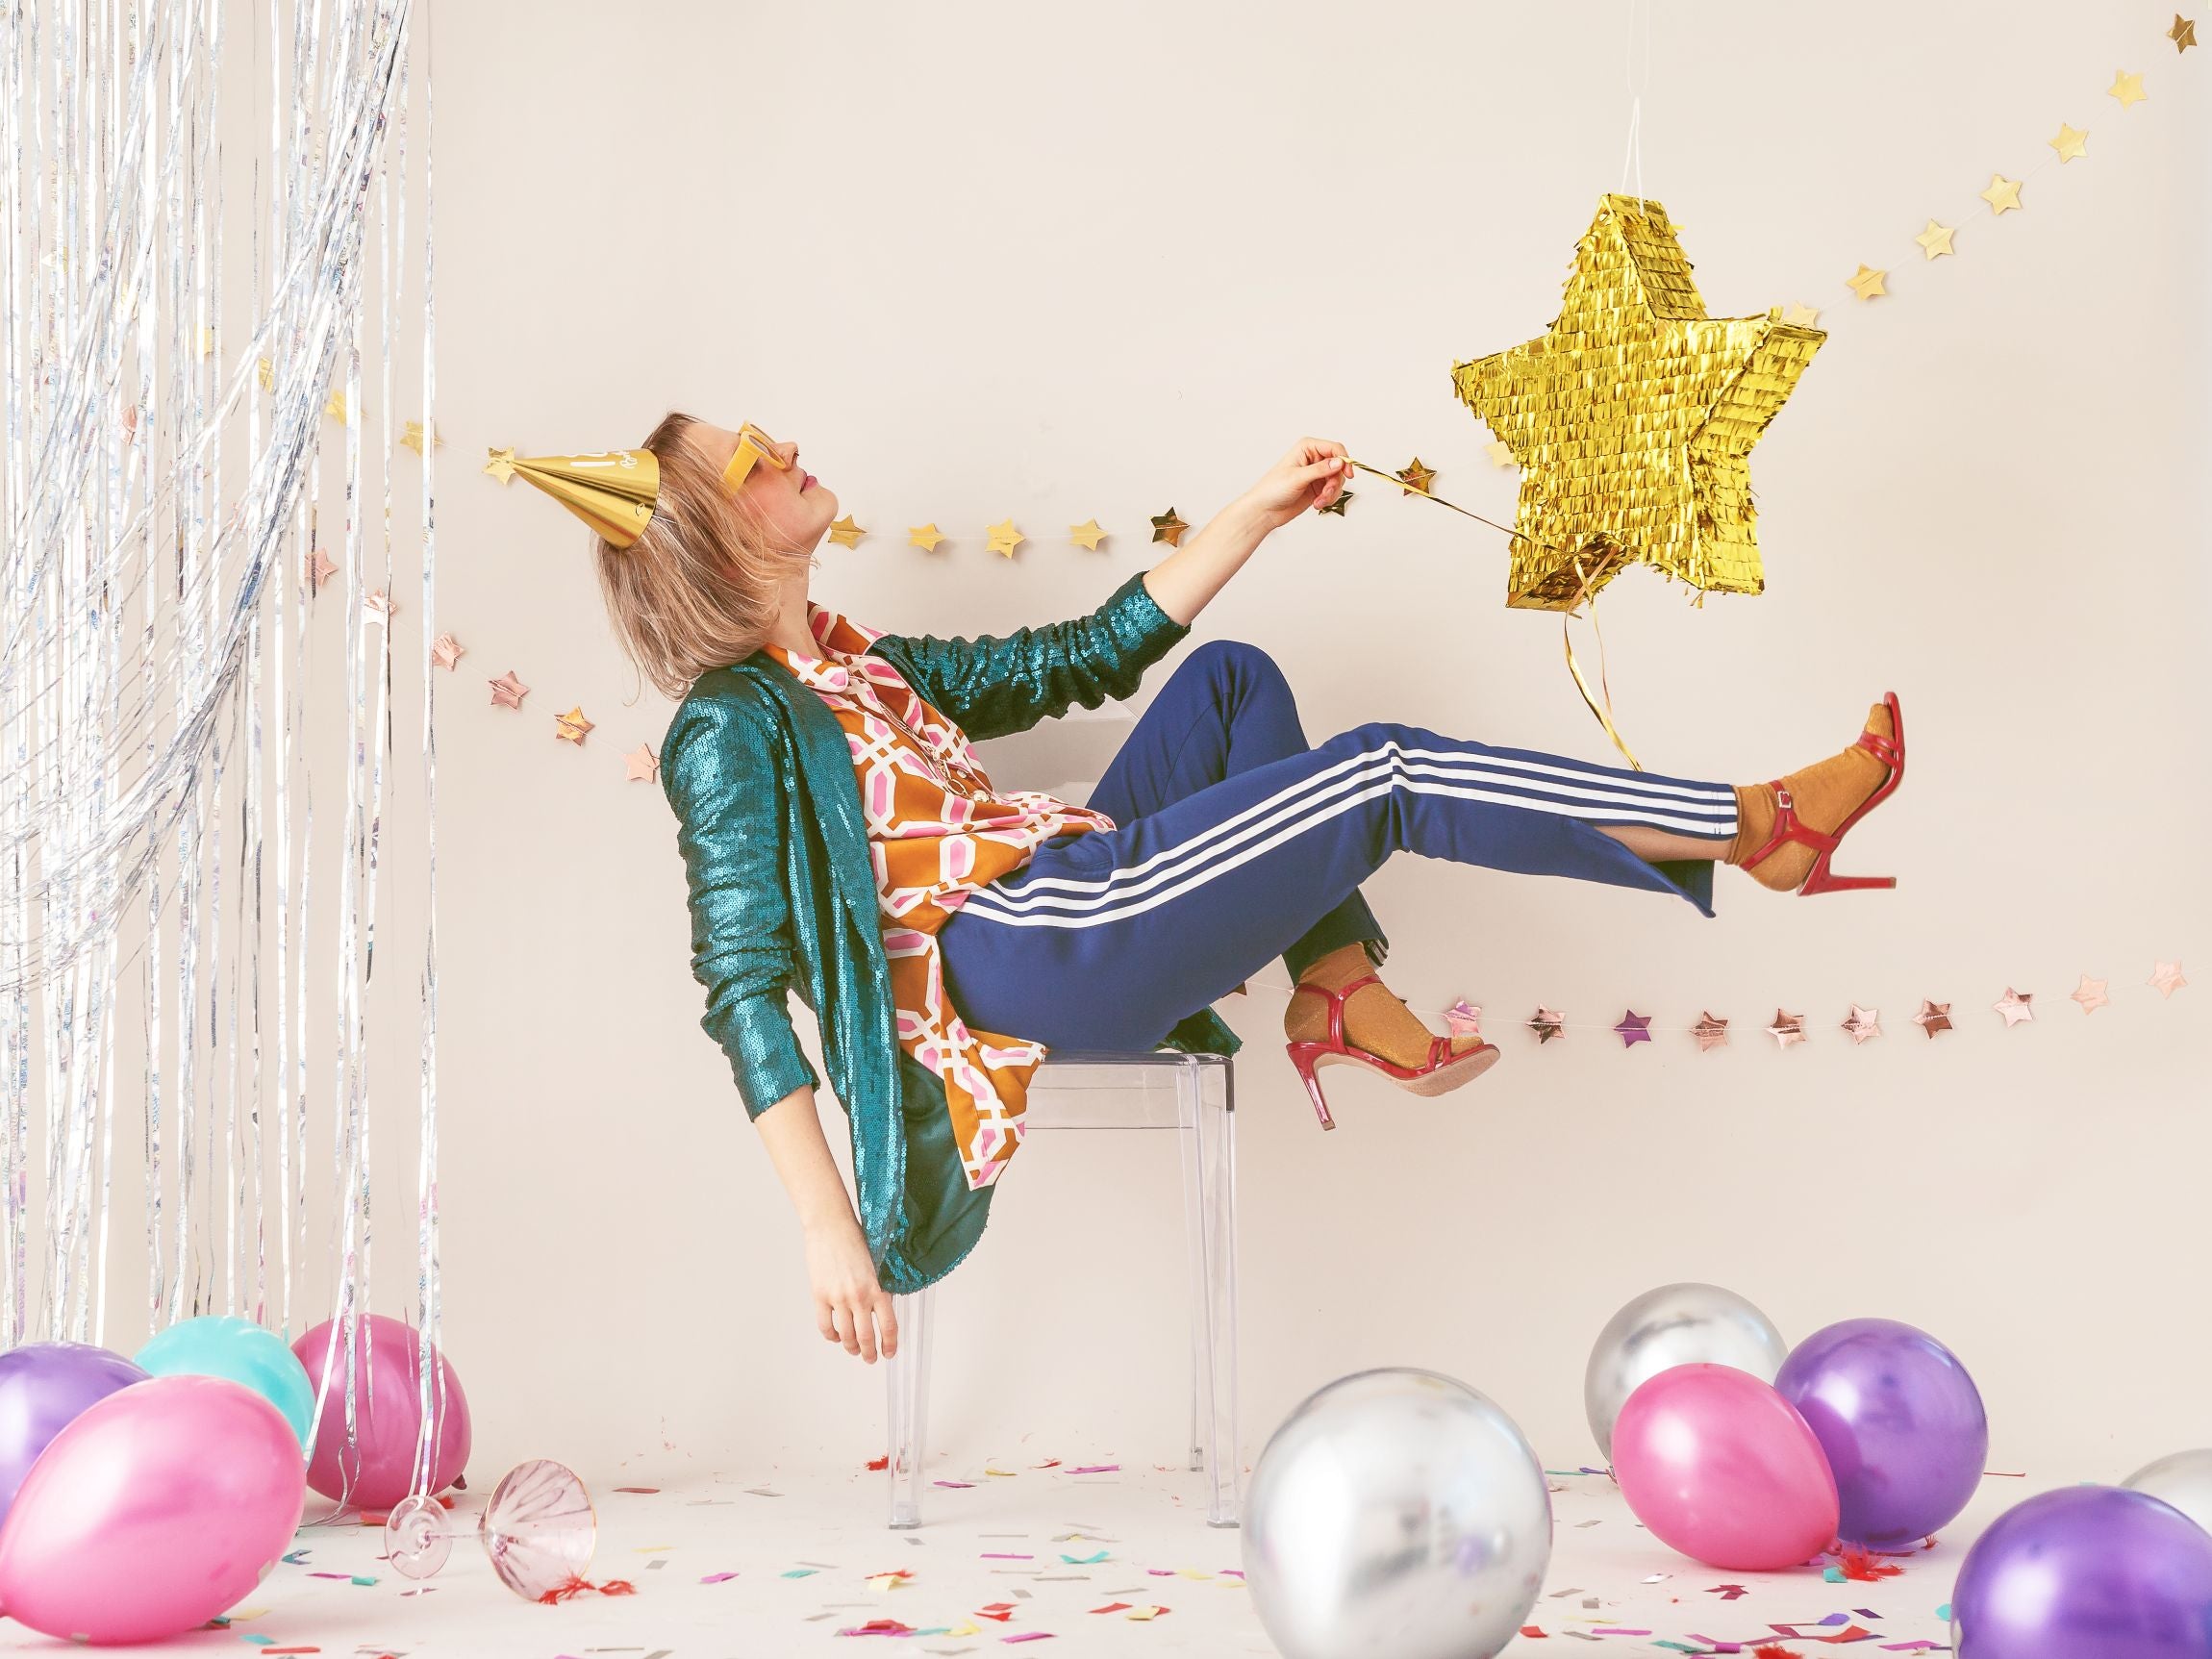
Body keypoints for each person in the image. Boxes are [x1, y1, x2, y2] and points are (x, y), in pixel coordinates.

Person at [500, 412, 1904, 1368]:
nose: (790, 447)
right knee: (1382, 773)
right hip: (1027, 945)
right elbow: (743, 987)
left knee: (1233, 685)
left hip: (1061, 893)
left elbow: (1088, 653)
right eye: (752, 455)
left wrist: (1259, 509)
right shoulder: (727, 725)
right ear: (708, 537)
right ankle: (1753, 825)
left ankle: (1339, 991)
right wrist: (823, 1225)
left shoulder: (865, 666)